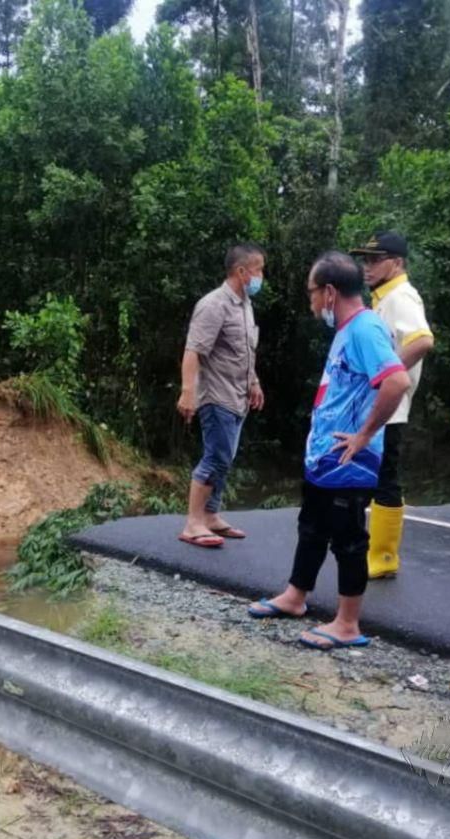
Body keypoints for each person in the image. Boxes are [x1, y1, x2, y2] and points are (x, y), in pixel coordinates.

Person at [247, 252, 410, 650]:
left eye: (312, 293)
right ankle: (296, 596)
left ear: (330, 292)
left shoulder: (365, 329)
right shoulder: (347, 329)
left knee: (348, 539)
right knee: (312, 527)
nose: (312, 302)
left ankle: (348, 623)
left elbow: (396, 381)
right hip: (326, 459)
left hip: (349, 462)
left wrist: (363, 435)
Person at [349, 231, 434, 579]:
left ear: (396, 262)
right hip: (381, 404)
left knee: (385, 477)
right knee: (375, 475)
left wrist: (387, 374)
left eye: (375, 259)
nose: (367, 267)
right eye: (365, 260)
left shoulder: (401, 296)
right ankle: (374, 550)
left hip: (391, 406)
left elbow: (422, 340)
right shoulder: (383, 297)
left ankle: (383, 556)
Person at [176, 244, 266, 548]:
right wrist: (188, 393)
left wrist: (254, 382)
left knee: (225, 458)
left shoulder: (244, 305)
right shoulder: (213, 305)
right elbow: (194, 351)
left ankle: (211, 515)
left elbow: (244, 351)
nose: (261, 277)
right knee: (216, 456)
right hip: (216, 395)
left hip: (238, 396)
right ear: (242, 272)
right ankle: (193, 522)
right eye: (259, 270)